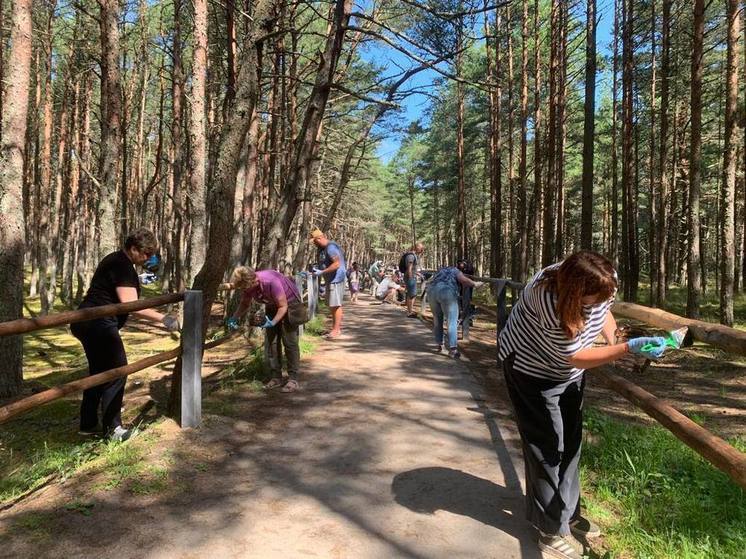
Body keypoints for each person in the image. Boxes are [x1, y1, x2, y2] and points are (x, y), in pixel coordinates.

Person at [498, 251, 666, 559]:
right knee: (547, 448)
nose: (602, 301)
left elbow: (604, 310)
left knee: (571, 444)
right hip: (531, 370)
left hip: (570, 372)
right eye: (593, 299)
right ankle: (549, 531)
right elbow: (573, 355)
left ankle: (567, 514)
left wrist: (615, 336)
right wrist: (626, 349)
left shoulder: (603, 279)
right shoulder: (546, 297)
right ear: (576, 293)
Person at [71, 229, 179, 441]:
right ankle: (113, 429)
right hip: (98, 324)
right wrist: (163, 319)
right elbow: (132, 305)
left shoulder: (117, 260)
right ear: (133, 249)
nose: (148, 258)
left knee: (98, 372)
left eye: (151, 254)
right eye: (146, 254)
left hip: (87, 321)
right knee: (118, 371)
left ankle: (88, 423)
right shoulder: (121, 265)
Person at [227, 267, 303, 392]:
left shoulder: (271, 281)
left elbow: (283, 306)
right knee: (271, 342)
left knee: (289, 342)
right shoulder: (248, 285)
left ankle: (293, 379)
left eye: (246, 287)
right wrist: (234, 317)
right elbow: (245, 303)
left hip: (289, 305)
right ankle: (276, 377)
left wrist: (273, 322)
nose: (245, 290)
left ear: (253, 281)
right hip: (272, 305)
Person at [427, 266, 483, 359]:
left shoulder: (440, 271)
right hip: (446, 291)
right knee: (451, 321)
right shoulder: (455, 270)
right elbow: (464, 280)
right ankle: (453, 350)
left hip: (432, 291)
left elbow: (431, 280)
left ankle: (440, 345)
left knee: (437, 319)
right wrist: (475, 284)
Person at [310, 229, 347, 339]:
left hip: (336, 279)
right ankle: (335, 329)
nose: (314, 244)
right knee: (332, 305)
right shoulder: (322, 249)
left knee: (335, 305)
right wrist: (314, 271)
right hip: (330, 280)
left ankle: (336, 330)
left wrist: (322, 272)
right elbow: (324, 263)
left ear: (320, 238)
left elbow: (336, 264)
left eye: (315, 241)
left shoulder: (331, 247)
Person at [400, 242, 424, 317]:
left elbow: (412, 268)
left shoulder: (412, 255)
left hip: (410, 276)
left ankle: (409, 310)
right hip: (410, 277)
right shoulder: (411, 256)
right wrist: (410, 278)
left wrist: (417, 273)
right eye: (421, 248)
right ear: (417, 247)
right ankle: (410, 312)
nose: (422, 250)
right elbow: (409, 268)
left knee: (410, 294)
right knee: (413, 294)